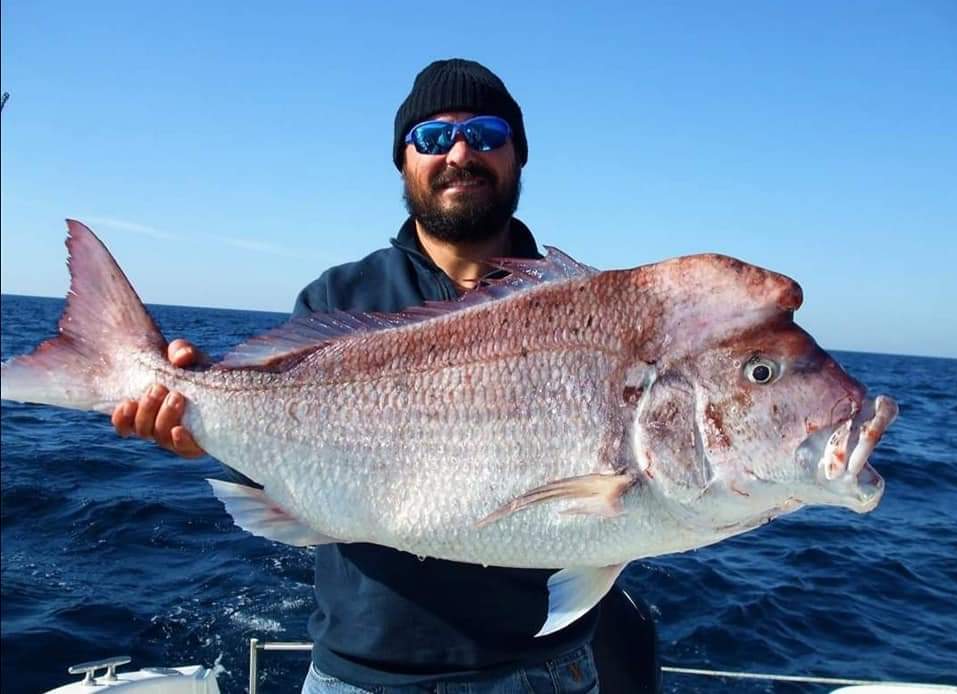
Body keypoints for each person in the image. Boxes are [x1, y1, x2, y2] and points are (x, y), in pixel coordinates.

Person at [112, 59, 661, 694]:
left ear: (519, 156)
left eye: (485, 134)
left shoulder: (587, 310)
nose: (459, 152)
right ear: (403, 161)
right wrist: (196, 427)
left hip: (542, 674)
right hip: (360, 676)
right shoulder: (340, 297)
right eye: (432, 138)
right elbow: (276, 461)